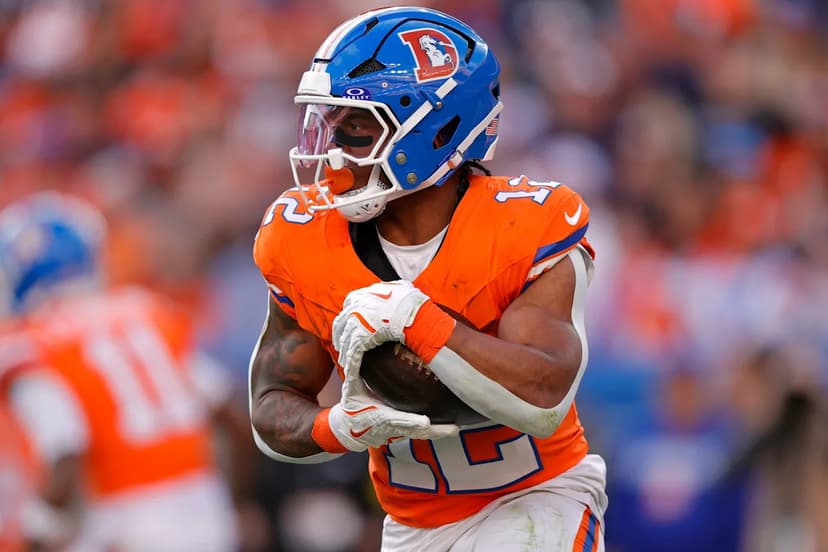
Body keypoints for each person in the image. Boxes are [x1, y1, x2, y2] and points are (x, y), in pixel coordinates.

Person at [249, 6, 607, 551]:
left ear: (436, 131)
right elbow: (272, 401)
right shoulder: (302, 237)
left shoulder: (525, 225)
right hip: (412, 525)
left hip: (536, 499)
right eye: (329, 126)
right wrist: (336, 427)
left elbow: (543, 400)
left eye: (357, 130)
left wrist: (420, 323)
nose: (333, 156)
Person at [0, 192, 240, 551]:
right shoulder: (144, 311)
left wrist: (38, 530)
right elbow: (231, 412)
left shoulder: (41, 343)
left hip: (126, 523)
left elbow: (66, 450)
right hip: (207, 512)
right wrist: (235, 500)